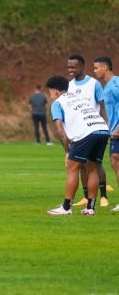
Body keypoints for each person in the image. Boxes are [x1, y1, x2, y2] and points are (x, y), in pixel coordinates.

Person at [46, 75, 109, 216]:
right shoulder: (78, 98)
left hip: (87, 133)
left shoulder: (58, 103)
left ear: (55, 91)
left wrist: (67, 152)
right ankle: (90, 208)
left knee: (72, 168)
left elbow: (60, 131)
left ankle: (66, 208)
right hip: (102, 130)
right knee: (92, 169)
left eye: (49, 92)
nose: (50, 96)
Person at [67, 54, 110, 207]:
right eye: (69, 67)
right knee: (81, 165)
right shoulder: (70, 85)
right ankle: (87, 198)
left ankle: (104, 196)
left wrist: (107, 125)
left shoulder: (94, 84)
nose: (70, 70)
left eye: (73, 67)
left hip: (95, 128)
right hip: (79, 130)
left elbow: (103, 106)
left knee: (95, 165)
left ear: (82, 67)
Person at [93, 56, 119, 212]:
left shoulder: (116, 84)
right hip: (114, 131)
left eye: (96, 68)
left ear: (106, 68)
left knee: (116, 161)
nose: (95, 71)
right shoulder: (107, 87)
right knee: (115, 161)